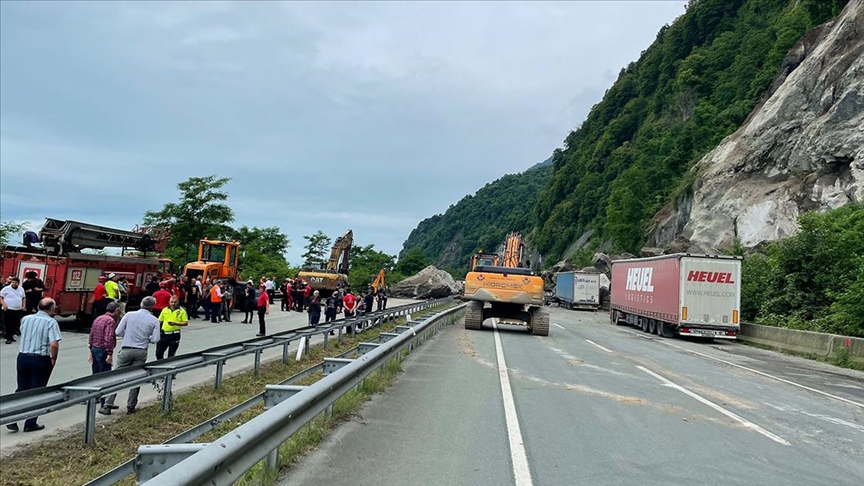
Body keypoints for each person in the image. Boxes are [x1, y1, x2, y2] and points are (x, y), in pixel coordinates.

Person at [5, 298, 62, 432]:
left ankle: (11, 419)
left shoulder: (26, 319)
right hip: (40, 359)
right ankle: (30, 423)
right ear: (52, 309)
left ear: (38, 306)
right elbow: (54, 344)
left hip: (23, 357)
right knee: (38, 391)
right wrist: (53, 359)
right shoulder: (51, 322)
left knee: (22, 389)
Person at [100, 296, 160, 415]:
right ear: (152, 307)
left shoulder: (129, 315)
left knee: (117, 377)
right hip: (141, 351)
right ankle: (131, 406)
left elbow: (117, 332)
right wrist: (146, 339)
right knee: (137, 379)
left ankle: (107, 405)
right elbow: (156, 339)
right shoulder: (154, 320)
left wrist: (128, 334)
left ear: (141, 304)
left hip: (127, 348)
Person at [89, 302, 120, 408]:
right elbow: (108, 337)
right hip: (103, 350)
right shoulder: (110, 321)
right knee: (105, 376)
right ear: (116, 310)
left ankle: (93, 398)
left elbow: (91, 334)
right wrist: (110, 353)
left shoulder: (98, 318)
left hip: (95, 349)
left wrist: (91, 349)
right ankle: (105, 403)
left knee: (96, 375)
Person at [156, 295, 188, 360]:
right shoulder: (165, 310)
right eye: (171, 302)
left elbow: (185, 323)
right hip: (164, 334)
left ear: (178, 302)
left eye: (175, 302)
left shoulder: (182, 311)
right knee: (159, 353)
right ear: (169, 302)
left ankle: (169, 367)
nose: (173, 304)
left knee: (171, 355)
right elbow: (159, 321)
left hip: (174, 335)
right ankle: (161, 365)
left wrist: (176, 323)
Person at [0, 277, 26, 344]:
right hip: (8, 309)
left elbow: (23, 297)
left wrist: (24, 305)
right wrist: (4, 304)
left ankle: (11, 336)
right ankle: (8, 338)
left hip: (18, 309)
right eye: (13, 282)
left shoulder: (21, 289)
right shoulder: (6, 289)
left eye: (15, 283)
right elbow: (0, 297)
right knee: (8, 323)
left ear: (18, 283)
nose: (14, 284)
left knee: (15, 324)